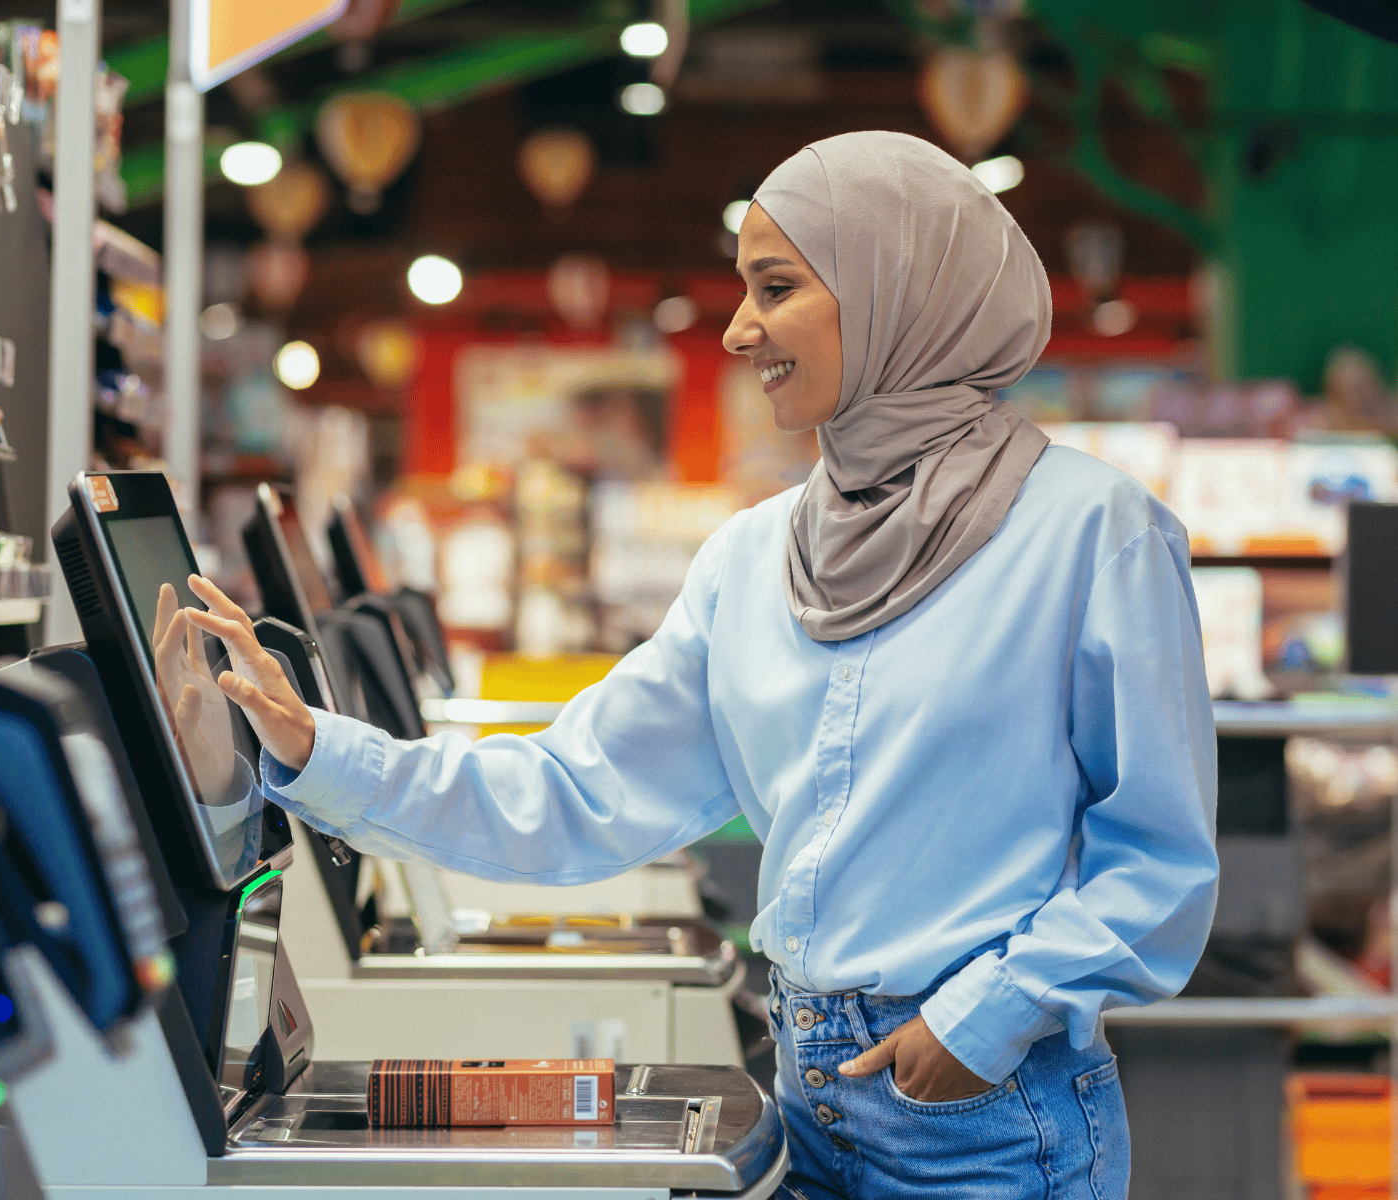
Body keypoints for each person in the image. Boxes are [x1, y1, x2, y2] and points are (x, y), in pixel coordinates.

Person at [181, 131, 1218, 1199]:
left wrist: (983, 1021)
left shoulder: (1093, 532)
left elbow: (1160, 865)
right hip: (805, 1091)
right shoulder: (753, 557)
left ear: (896, 287)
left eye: (776, 287)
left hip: (985, 1116)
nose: (736, 330)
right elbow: (574, 791)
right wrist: (314, 747)